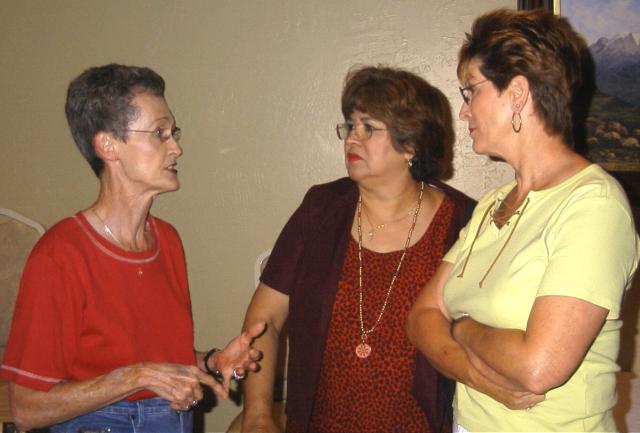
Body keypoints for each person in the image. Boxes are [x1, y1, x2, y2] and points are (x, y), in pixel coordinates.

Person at [407, 8, 640, 432]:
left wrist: (460, 327)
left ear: (516, 93)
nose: (463, 112)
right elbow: (421, 316)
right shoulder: (492, 203)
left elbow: (537, 367)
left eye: (470, 91)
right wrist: (480, 377)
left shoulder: (593, 205)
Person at [0, 64, 264, 433]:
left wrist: (212, 361)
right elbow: (27, 408)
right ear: (108, 145)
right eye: (160, 133)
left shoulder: (167, 241)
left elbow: (153, 360)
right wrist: (135, 377)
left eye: (173, 132)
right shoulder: (60, 255)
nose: (176, 147)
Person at [240, 66, 476, 433]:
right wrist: (257, 415)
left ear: (411, 143)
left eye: (368, 128)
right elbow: (264, 321)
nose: (352, 139)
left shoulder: (464, 222)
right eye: (350, 126)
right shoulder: (320, 209)